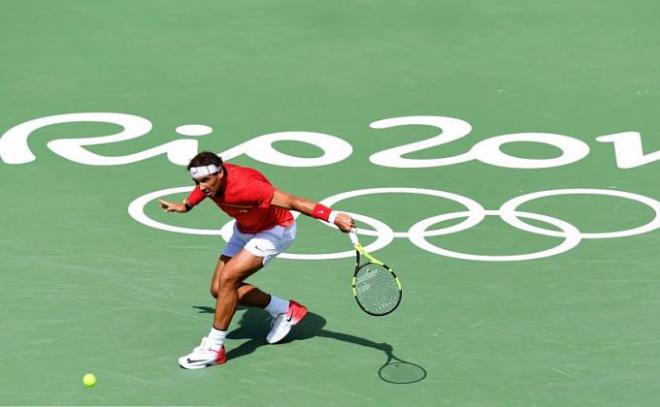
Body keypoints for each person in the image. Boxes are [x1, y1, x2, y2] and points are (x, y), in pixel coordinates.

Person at [158, 151, 354, 369]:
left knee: (229, 278)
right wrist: (186, 205)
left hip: (275, 230)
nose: (201, 186)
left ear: (220, 174)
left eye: (205, 180)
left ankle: (214, 348)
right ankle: (286, 309)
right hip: (245, 228)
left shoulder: (247, 187)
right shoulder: (211, 180)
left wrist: (333, 217)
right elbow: (203, 188)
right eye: (196, 182)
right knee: (218, 289)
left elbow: (293, 201)